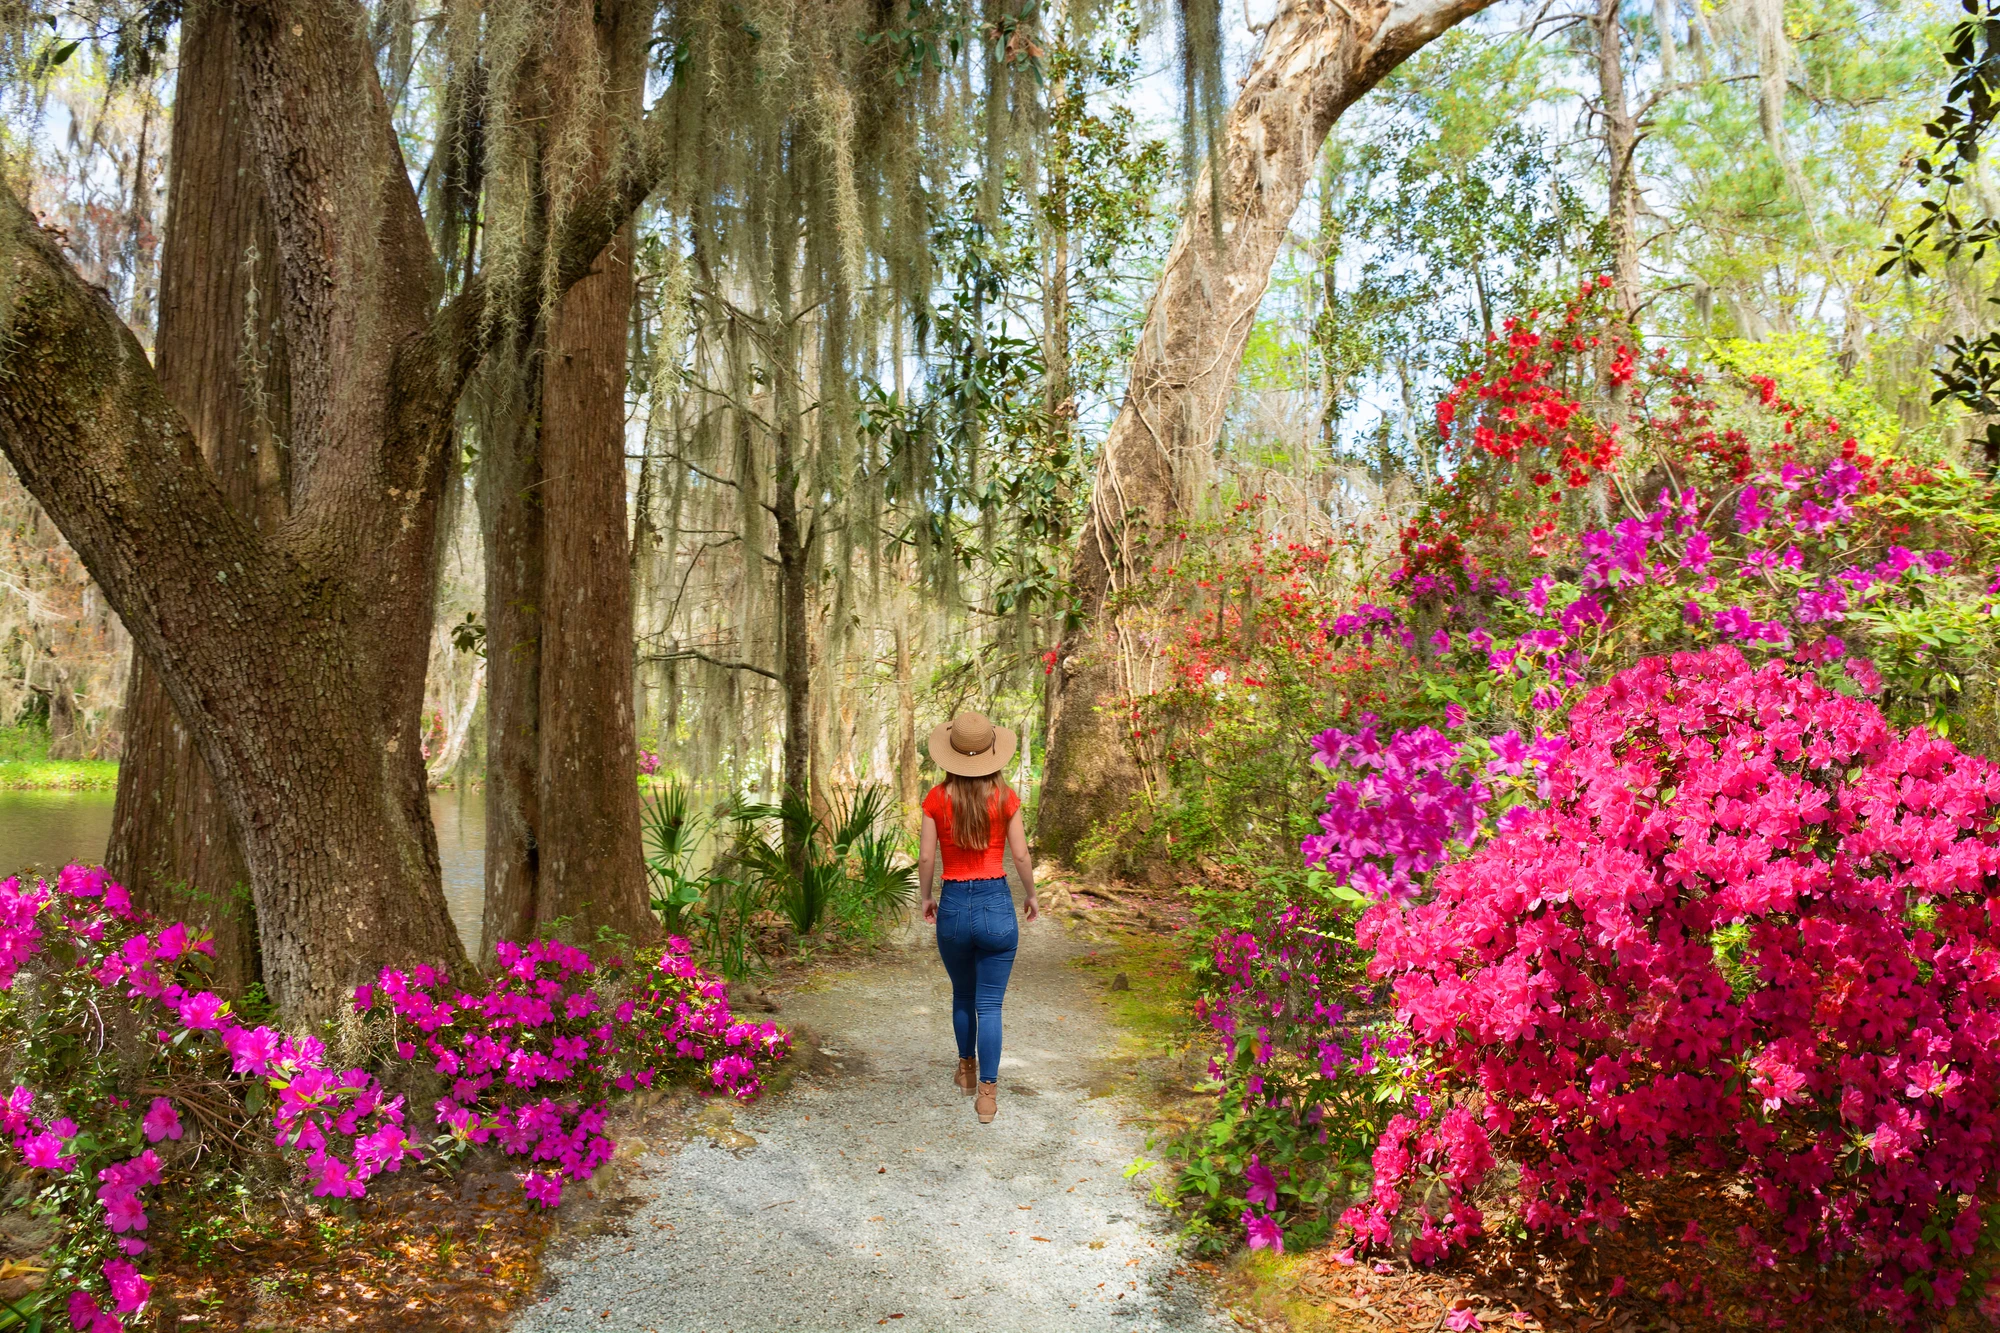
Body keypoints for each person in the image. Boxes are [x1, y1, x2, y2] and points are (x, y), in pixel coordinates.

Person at [917, 710, 1038, 1124]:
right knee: (990, 1004)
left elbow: (927, 856)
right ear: (991, 752)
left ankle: (966, 1071)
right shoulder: (1006, 798)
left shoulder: (936, 798)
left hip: (952, 904)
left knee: (963, 996)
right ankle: (987, 1095)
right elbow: (1020, 854)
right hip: (995, 904)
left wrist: (926, 898)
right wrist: (1033, 895)